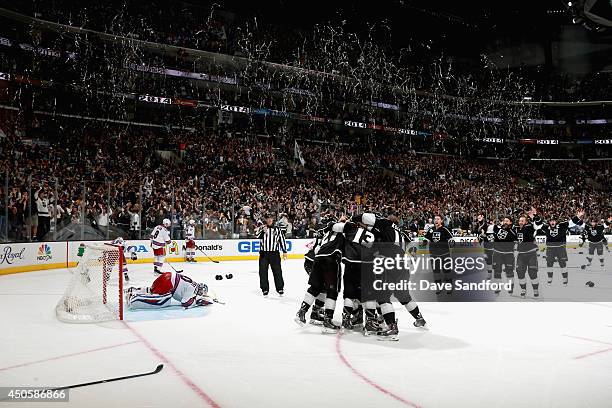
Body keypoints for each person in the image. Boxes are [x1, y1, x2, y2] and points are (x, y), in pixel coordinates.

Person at [127, 271, 213, 309]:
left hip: (167, 276)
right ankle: (135, 298)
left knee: (153, 290)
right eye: (201, 292)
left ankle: (135, 290)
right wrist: (198, 302)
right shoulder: (193, 289)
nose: (201, 293)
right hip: (168, 282)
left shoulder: (193, 284)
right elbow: (185, 303)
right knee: (164, 301)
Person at [256, 214, 288, 297]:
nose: (270, 220)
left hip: (274, 253)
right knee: (263, 272)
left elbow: (282, 240)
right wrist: (263, 230)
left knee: (277, 271)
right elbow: (257, 236)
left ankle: (280, 288)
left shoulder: (278, 229)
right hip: (264, 254)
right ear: (266, 220)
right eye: (268, 219)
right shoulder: (262, 228)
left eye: (271, 219)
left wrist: (284, 251)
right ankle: (265, 289)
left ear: (273, 220)